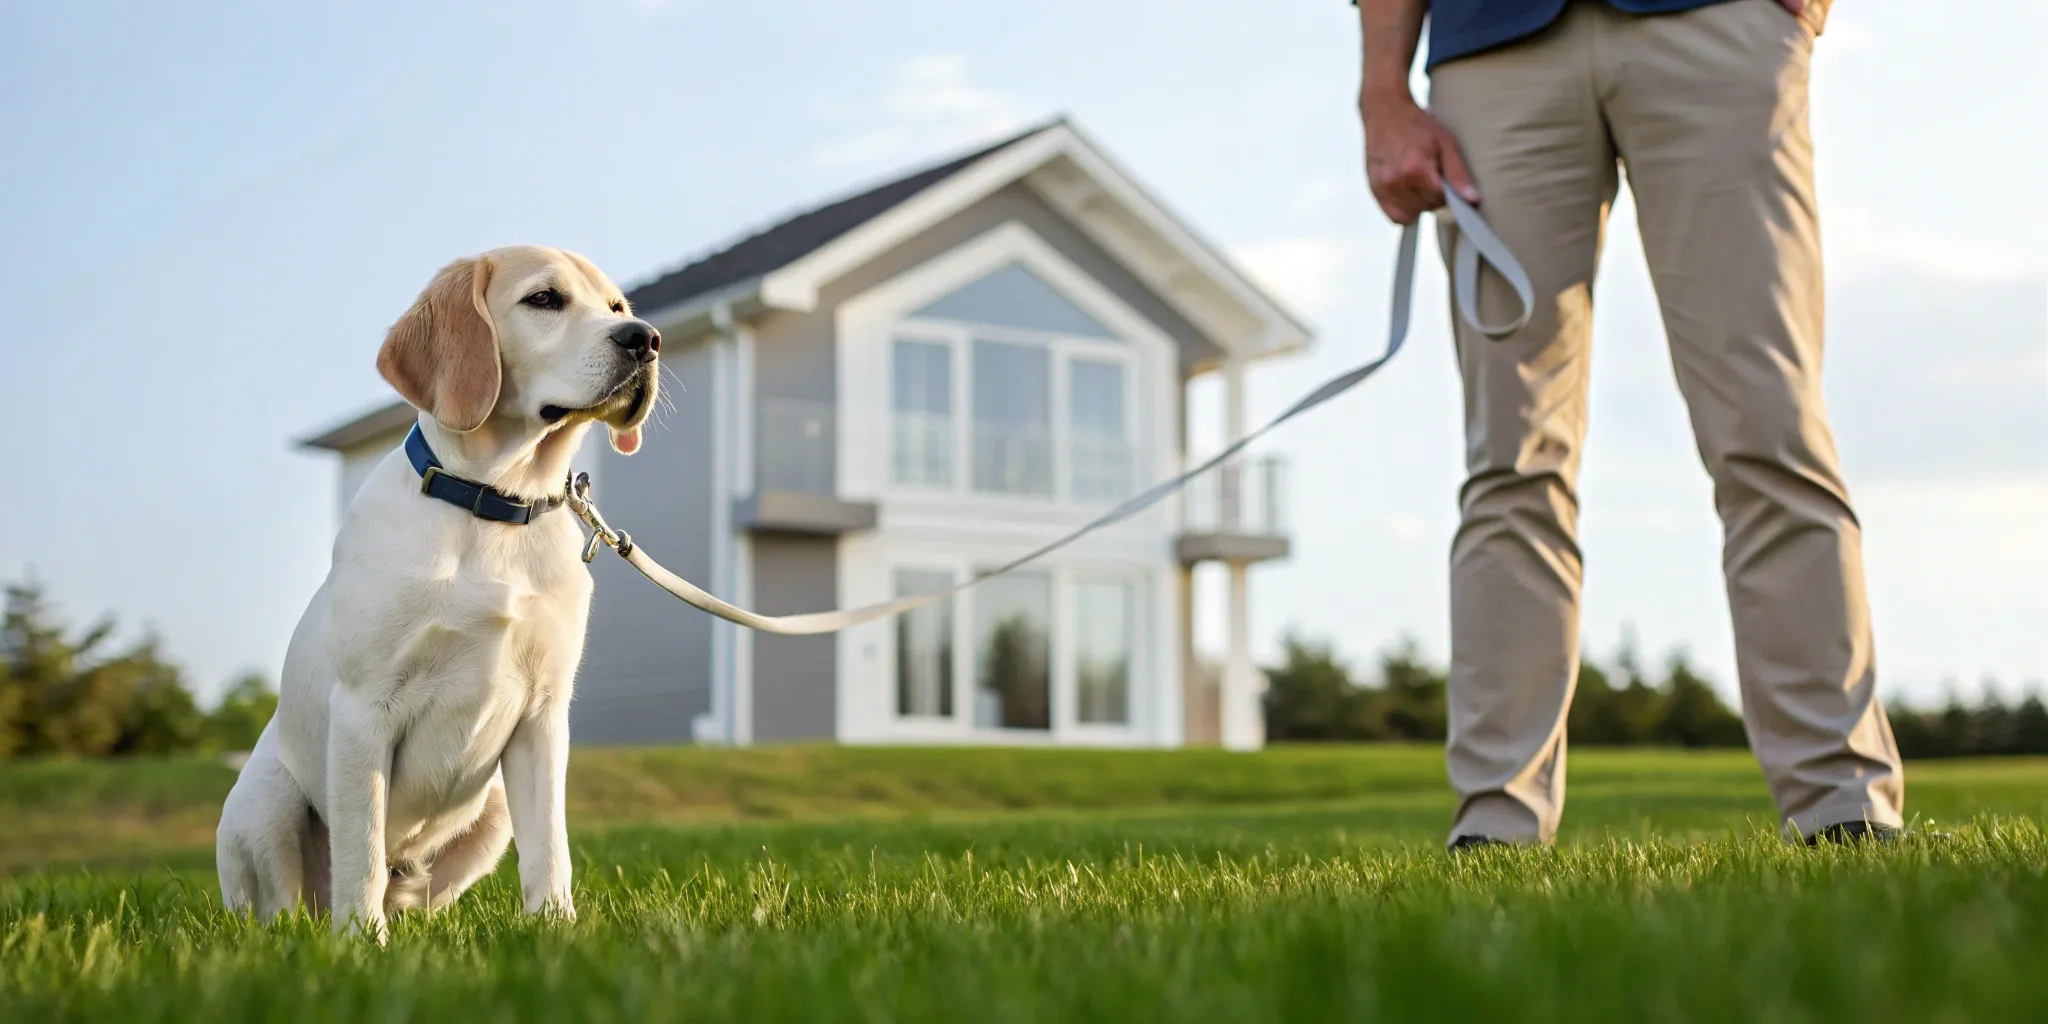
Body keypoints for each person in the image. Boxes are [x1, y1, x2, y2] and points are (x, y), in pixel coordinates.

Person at [1351, 0, 1909, 849]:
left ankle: (1844, 805)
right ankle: (1497, 827)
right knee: (1511, 459)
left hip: (1714, 22)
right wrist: (1381, 91)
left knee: (1770, 429)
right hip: (1491, 44)